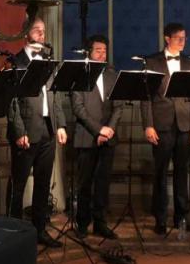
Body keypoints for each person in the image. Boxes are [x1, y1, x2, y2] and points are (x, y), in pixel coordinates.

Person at [7, 18, 68, 247]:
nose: (41, 35)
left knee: (43, 183)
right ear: (26, 33)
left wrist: (60, 125)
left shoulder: (47, 61)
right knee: (18, 182)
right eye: (36, 30)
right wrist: (18, 131)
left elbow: (56, 95)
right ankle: (11, 230)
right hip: (26, 130)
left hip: (47, 128)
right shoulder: (17, 62)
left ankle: (39, 230)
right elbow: (11, 101)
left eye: (43, 31)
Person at [140, 22, 190, 235]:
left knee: (182, 172)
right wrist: (148, 125)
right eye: (179, 38)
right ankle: (160, 218)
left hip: (185, 125)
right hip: (162, 124)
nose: (183, 42)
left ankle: (181, 217)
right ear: (167, 38)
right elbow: (146, 98)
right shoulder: (152, 61)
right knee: (160, 173)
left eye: (185, 38)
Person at [70, 34, 122, 240]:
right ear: (89, 51)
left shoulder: (111, 74)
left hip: (108, 137)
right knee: (85, 184)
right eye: (98, 50)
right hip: (86, 136)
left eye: (104, 50)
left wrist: (108, 130)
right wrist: (98, 130)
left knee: (103, 183)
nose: (102, 53)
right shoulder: (79, 74)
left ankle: (100, 223)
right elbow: (78, 108)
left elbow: (118, 107)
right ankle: (82, 223)